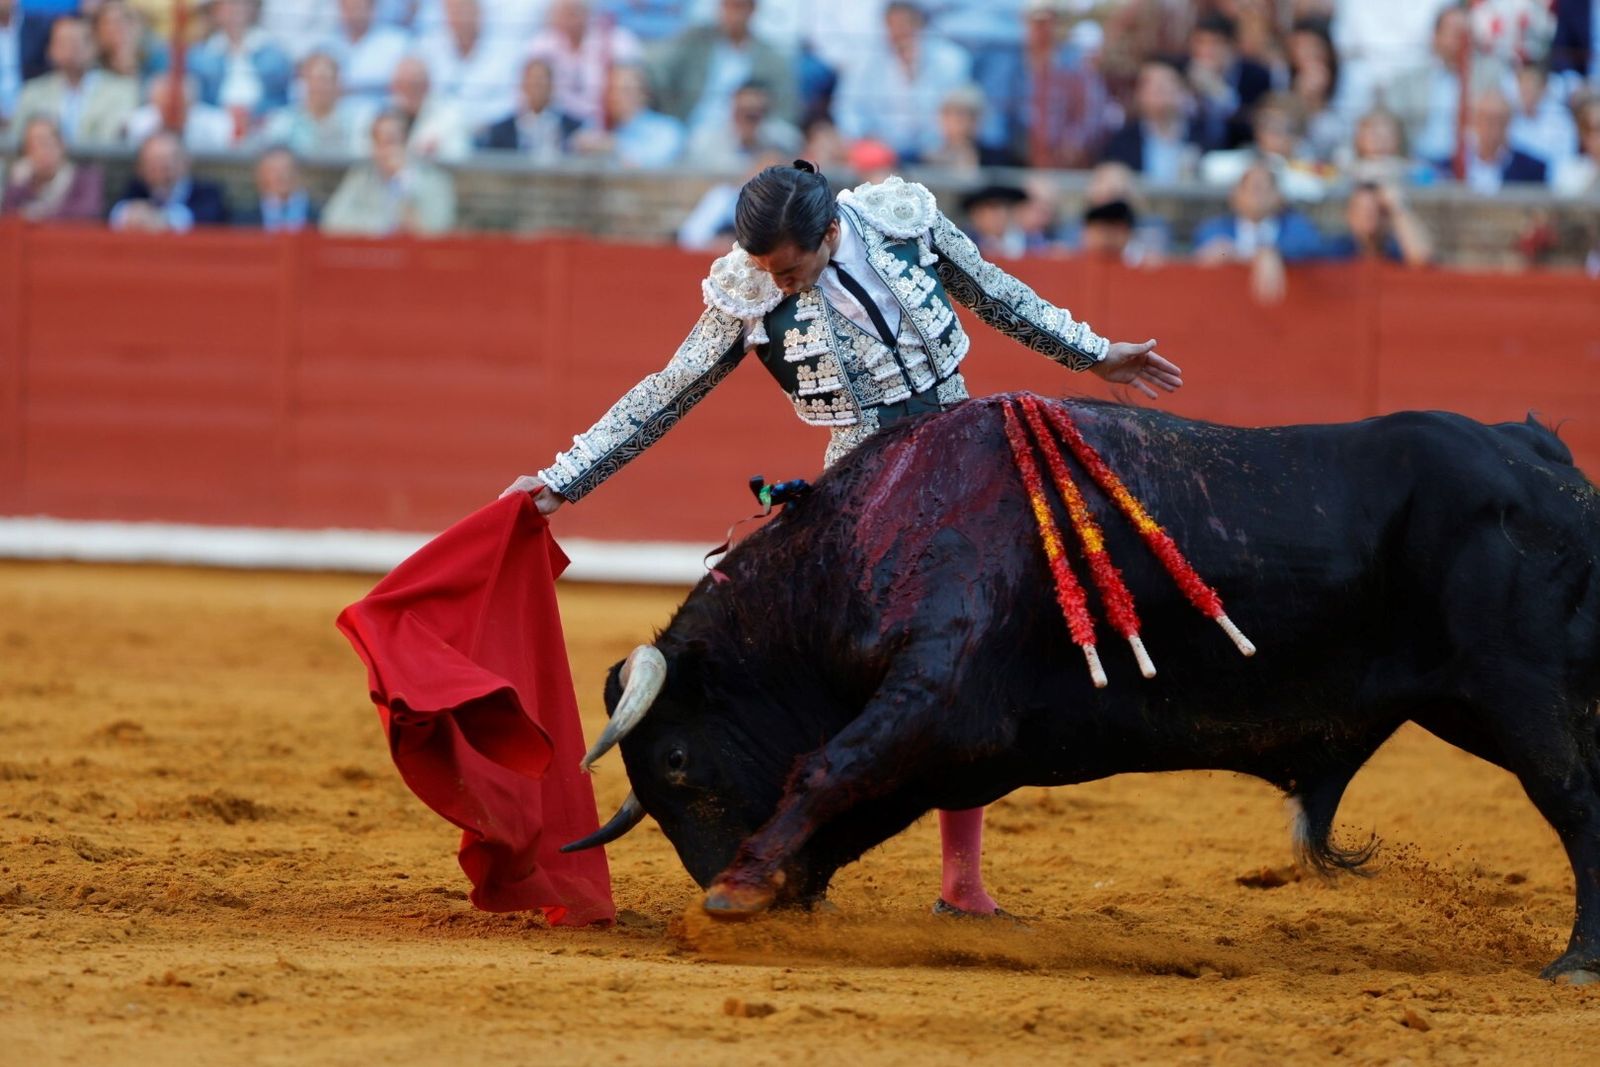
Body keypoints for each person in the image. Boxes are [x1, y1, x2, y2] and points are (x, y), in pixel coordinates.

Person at [501, 162, 1183, 920]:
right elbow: (669, 390)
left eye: (789, 269)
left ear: (830, 233)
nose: (778, 284)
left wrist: (1092, 352)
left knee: (973, 657)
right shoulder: (748, 287)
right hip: (865, 488)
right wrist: (564, 478)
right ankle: (793, 853)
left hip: (967, 459)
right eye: (766, 270)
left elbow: (992, 292)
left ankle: (961, 883)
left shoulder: (901, 219)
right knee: (852, 667)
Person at [832, 0, 972, 162]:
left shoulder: (951, 59)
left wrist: (939, 142)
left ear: (919, 23)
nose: (900, 32)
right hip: (880, 149)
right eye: (893, 25)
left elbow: (959, 109)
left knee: (962, 154)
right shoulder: (863, 61)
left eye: (906, 24)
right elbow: (848, 110)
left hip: (936, 146)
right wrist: (866, 139)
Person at [650, 0, 798, 139]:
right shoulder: (694, 42)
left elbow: (786, 107)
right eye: (726, 6)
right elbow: (659, 72)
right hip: (694, 128)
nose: (731, 15)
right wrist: (670, 110)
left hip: (750, 136)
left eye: (738, 7)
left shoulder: (770, 58)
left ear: (752, 10)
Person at [1193, 161, 1326, 305]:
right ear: (1235, 195)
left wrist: (1276, 253)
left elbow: (1312, 247)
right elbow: (1202, 255)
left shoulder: (1297, 226)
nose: (1257, 196)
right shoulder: (1215, 228)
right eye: (1251, 188)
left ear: (1279, 196)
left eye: (1264, 189)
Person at [321, 110, 457, 236]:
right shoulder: (361, 176)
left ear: (407, 141)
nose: (385, 150)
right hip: (372, 256)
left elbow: (438, 231)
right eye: (378, 141)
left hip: (418, 258)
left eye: (392, 141)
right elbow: (332, 221)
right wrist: (383, 226)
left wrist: (403, 182)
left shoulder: (434, 180)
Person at [14, 16, 138, 148]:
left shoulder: (121, 90)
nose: (70, 49)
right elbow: (17, 141)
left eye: (76, 42)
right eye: (63, 42)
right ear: (50, 49)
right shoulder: (32, 92)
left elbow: (115, 139)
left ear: (93, 47)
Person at [525, 0, 644, 129]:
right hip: (556, 127)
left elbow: (634, 91)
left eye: (574, 12)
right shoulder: (541, 44)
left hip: (609, 126)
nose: (569, 20)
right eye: (563, 13)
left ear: (589, 13)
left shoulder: (618, 41)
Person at [1098, 57, 1204, 182]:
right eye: (1148, 85)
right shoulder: (1122, 143)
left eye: (1163, 86)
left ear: (1183, 91)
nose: (1155, 92)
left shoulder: (1205, 136)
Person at [188, 0, 293, 124]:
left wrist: (254, 114)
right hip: (218, 122)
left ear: (252, 8)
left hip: (262, 122)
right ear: (216, 11)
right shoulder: (201, 55)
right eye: (229, 4)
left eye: (241, 3)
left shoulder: (273, 52)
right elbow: (200, 99)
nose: (235, 10)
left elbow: (282, 98)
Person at [109, 130, 231, 232]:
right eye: (154, 162)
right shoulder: (136, 189)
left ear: (186, 162)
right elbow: (115, 214)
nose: (162, 169)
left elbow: (204, 219)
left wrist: (163, 219)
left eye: (169, 160)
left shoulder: (208, 192)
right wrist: (131, 214)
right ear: (141, 167)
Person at [569, 63, 685, 169]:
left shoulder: (667, 130)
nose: (616, 96)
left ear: (644, 94)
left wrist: (614, 147)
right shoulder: (596, 125)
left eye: (625, 90)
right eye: (611, 89)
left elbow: (654, 164)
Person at [258, 51, 369, 157]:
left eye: (326, 80)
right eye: (314, 79)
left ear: (337, 84)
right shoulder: (283, 121)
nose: (320, 87)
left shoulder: (356, 122)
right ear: (304, 82)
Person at [1442, 86, 1550, 194]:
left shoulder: (1531, 171)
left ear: (1509, 123)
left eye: (1501, 121)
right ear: (1475, 121)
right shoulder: (1451, 167)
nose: (1494, 129)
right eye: (1488, 120)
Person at [682, 79, 800, 171]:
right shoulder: (705, 142)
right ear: (733, 110)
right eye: (744, 112)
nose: (750, 119)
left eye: (756, 113)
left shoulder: (786, 141)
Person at [1, 115, 104, 220]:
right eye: (32, 146)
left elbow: (88, 212)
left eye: (45, 142)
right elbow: (8, 216)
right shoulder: (23, 182)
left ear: (61, 144)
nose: (40, 151)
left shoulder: (85, 178)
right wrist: (17, 185)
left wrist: (40, 214)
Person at [479, 56, 581, 159]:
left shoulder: (572, 128)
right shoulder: (502, 130)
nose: (537, 86)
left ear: (552, 86)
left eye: (541, 81)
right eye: (533, 81)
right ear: (523, 85)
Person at [1322, 181, 1434, 266]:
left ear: (1387, 216)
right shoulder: (1336, 249)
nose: (1369, 216)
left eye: (1377, 210)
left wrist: (1397, 207)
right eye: (1362, 210)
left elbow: (1421, 259)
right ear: (1350, 215)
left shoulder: (1395, 249)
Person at [125, 72, 236, 152]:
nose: (172, 111)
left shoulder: (217, 124)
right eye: (165, 106)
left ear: (191, 103)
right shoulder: (138, 123)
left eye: (178, 106)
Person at [237, 146, 318, 232]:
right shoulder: (243, 220)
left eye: (287, 169)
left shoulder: (319, 217)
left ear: (297, 173)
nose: (281, 176)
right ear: (260, 175)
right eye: (274, 170)